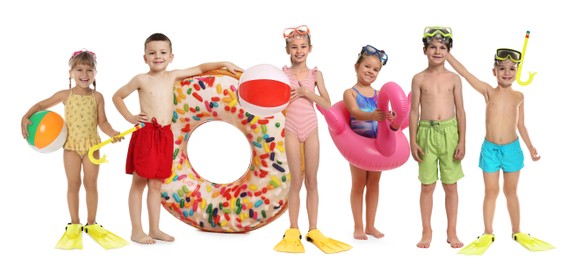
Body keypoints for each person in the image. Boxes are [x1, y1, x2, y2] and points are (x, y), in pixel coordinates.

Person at [112, 33, 242, 245]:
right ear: (145, 57)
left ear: (171, 56)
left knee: (156, 185)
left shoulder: (172, 76)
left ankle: (154, 229)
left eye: (163, 52)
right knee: (138, 183)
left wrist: (223, 63)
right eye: (152, 53)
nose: (158, 56)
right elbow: (117, 96)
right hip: (146, 134)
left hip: (165, 135)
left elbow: (200, 69)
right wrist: (130, 117)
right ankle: (137, 230)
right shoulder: (141, 79)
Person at [447, 49, 554, 254]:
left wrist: (531, 147)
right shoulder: (488, 91)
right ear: (494, 71)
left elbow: (521, 125)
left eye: (512, 69)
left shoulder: (519, 97)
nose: (507, 72)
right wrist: (448, 55)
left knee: (511, 192)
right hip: (490, 150)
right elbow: (466, 73)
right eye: (502, 68)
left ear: (517, 71)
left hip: (512, 150)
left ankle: (517, 230)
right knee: (491, 191)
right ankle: (488, 232)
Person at [21, 49, 128, 250]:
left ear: (95, 73)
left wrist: (112, 132)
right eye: (79, 69)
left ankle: (92, 223)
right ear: (70, 72)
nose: (84, 74)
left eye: (89, 69)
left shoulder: (98, 97)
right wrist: (25, 117)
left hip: (92, 146)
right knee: (73, 184)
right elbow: (41, 104)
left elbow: (102, 122)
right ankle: (74, 223)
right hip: (70, 146)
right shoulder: (64, 95)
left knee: (91, 184)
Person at [273, 25, 351, 254]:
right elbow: (274, 101)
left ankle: (313, 229)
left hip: (311, 128)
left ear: (310, 48)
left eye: (303, 47)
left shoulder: (316, 74)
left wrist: (307, 92)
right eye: (294, 47)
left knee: (312, 181)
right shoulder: (282, 73)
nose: (299, 51)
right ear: (287, 49)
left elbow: (327, 104)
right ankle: (293, 229)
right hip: (291, 129)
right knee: (296, 181)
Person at [409, 26, 466, 249]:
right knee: (427, 186)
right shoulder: (418, 78)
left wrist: (462, 140)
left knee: (451, 186)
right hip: (426, 134)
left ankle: (452, 231)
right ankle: (426, 230)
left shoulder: (454, 79)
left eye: (442, 47)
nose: (437, 51)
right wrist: (412, 140)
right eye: (432, 46)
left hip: (450, 134)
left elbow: (461, 110)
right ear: (425, 50)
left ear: (448, 52)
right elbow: (414, 111)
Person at [343, 45, 400, 240]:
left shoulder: (378, 95)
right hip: (358, 146)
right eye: (367, 66)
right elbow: (355, 112)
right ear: (356, 66)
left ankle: (371, 225)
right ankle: (358, 227)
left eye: (375, 69)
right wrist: (373, 115)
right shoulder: (350, 93)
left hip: (376, 146)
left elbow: (383, 118)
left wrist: (389, 116)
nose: (370, 72)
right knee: (358, 184)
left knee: (374, 184)